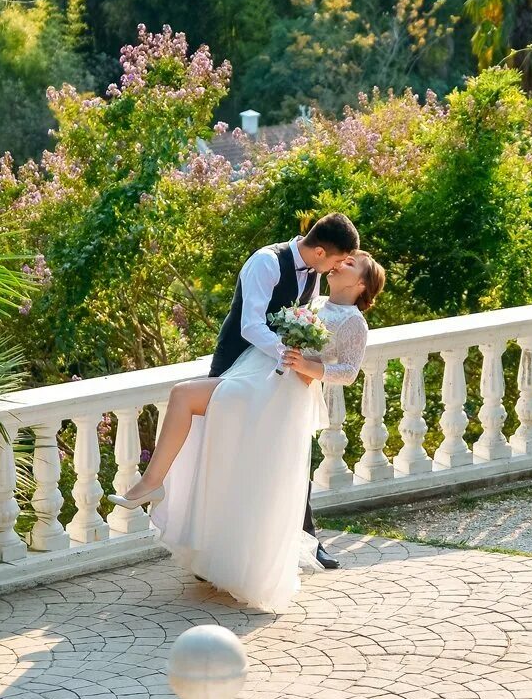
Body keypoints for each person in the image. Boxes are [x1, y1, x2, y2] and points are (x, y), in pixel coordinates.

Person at [123, 239, 386, 613]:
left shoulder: (353, 322)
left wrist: (305, 365)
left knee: (200, 413)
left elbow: (347, 371)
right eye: (343, 260)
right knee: (226, 456)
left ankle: (157, 488)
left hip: (281, 394)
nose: (341, 265)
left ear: (361, 285)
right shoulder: (312, 303)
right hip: (259, 378)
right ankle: (163, 493)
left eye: (351, 264)